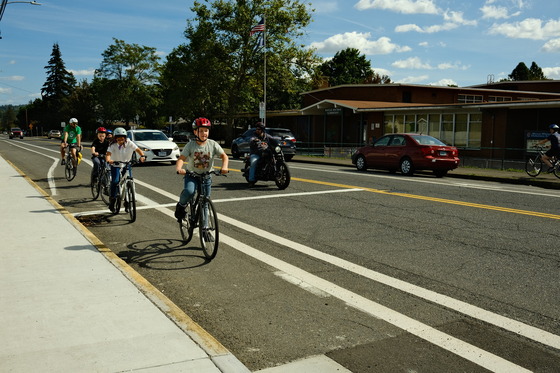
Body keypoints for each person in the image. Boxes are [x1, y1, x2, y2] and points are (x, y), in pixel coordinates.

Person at [174, 117, 229, 223]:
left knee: (205, 203)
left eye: (206, 130)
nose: (204, 133)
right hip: (192, 175)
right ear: (195, 132)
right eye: (201, 130)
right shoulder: (190, 145)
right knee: (190, 192)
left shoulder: (213, 144)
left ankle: (205, 229)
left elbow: (224, 156)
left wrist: (224, 167)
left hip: (206, 176)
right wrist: (179, 168)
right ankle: (181, 205)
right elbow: (181, 159)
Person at [105, 127, 146, 212]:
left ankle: (128, 201)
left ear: (125, 138)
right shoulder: (112, 145)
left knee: (129, 180)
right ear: (115, 138)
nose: (120, 141)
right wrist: (109, 160)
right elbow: (108, 154)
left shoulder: (129, 143)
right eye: (118, 139)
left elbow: (138, 150)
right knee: (115, 181)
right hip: (116, 165)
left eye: (122, 139)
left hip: (126, 164)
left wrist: (142, 156)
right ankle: (112, 200)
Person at [247, 121, 278, 186]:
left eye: (259, 129)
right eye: (256, 129)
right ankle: (251, 180)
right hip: (256, 153)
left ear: (262, 130)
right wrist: (254, 140)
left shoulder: (267, 136)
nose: (257, 130)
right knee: (253, 162)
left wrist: (278, 142)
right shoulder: (254, 135)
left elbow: (273, 140)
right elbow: (251, 139)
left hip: (266, 152)